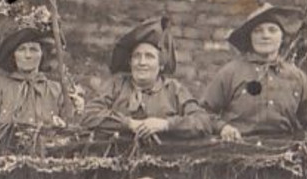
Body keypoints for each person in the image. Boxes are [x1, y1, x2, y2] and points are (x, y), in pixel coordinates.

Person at [201, 4, 307, 140]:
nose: (265, 36)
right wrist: (223, 128)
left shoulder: (296, 77)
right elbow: (203, 112)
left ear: (282, 37)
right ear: (250, 37)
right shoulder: (231, 73)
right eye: (258, 31)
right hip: (237, 158)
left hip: (283, 159)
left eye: (272, 30)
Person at [79, 16, 211, 139]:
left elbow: (202, 122)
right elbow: (89, 115)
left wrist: (165, 125)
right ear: (130, 62)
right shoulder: (117, 85)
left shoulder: (174, 89)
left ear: (160, 65)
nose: (142, 63)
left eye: (149, 56)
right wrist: (129, 124)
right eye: (137, 56)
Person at [0, 27, 74, 128]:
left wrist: (61, 126)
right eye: (21, 50)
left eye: (33, 50)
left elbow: (70, 128)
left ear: (42, 55)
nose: (28, 55)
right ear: (13, 55)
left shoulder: (56, 90)